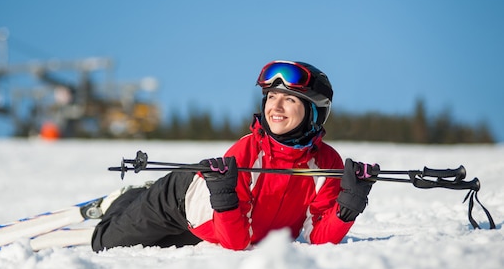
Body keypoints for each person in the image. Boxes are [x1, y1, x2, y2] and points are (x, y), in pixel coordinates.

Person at [90, 60, 377, 251]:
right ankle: (126, 199)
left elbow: (318, 237)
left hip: (215, 226)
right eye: (271, 97)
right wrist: (225, 197)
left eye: (289, 99)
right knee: (104, 243)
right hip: (179, 201)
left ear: (314, 112)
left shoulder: (326, 164)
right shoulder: (247, 152)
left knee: (160, 245)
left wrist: (347, 208)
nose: (276, 106)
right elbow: (235, 245)